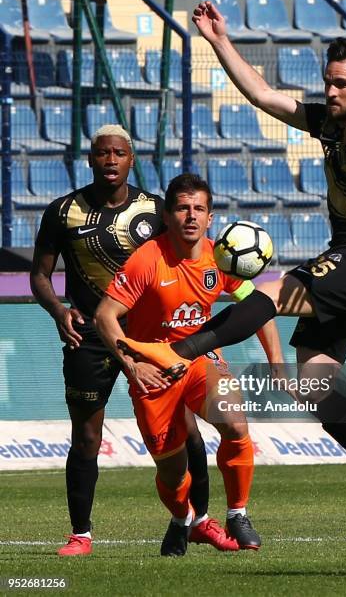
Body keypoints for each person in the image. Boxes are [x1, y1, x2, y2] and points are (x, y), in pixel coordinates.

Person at [117, 5, 346, 539]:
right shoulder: (327, 121)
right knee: (312, 384)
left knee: (268, 293)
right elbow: (262, 95)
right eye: (328, 82)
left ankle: (181, 351)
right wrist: (218, 38)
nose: (331, 92)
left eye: (341, 84)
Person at [30, 125, 234, 556]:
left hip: (155, 340)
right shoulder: (62, 211)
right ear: (90, 159)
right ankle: (80, 534)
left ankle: (197, 521)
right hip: (88, 335)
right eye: (102, 153)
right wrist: (59, 310)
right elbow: (39, 276)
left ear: (131, 159)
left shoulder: (158, 209)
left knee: (188, 433)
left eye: (118, 153)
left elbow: (189, 266)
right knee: (86, 436)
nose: (110, 160)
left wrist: (201, 334)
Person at [93, 173, 284, 555]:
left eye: (199, 209)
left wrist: (277, 360)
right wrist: (133, 365)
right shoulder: (147, 259)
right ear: (167, 215)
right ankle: (183, 520)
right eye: (182, 208)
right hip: (153, 371)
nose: (191, 216)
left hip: (200, 361)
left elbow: (257, 308)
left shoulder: (223, 258)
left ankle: (238, 513)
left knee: (234, 420)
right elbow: (104, 317)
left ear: (210, 218)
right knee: (172, 470)